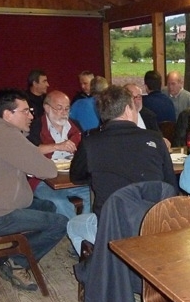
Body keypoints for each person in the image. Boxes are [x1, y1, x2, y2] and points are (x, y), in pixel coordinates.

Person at [0, 88, 68, 291]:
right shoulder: (7, 136)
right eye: (25, 111)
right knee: (60, 223)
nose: (31, 116)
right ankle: (14, 262)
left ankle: (9, 255)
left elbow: (25, 156)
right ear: (8, 114)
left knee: (48, 207)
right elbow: (49, 170)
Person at [66, 85, 178, 256]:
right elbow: (170, 185)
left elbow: (76, 177)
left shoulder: (90, 142)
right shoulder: (155, 138)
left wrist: (98, 176)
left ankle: (102, 264)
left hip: (112, 228)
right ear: (127, 109)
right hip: (154, 224)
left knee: (73, 224)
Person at [26, 90, 92, 219]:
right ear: (47, 108)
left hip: (71, 178)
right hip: (43, 180)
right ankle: (73, 229)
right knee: (60, 202)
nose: (64, 112)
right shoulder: (35, 126)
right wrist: (57, 146)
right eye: (59, 108)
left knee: (92, 195)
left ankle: (85, 228)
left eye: (67, 108)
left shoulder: (75, 125)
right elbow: (29, 151)